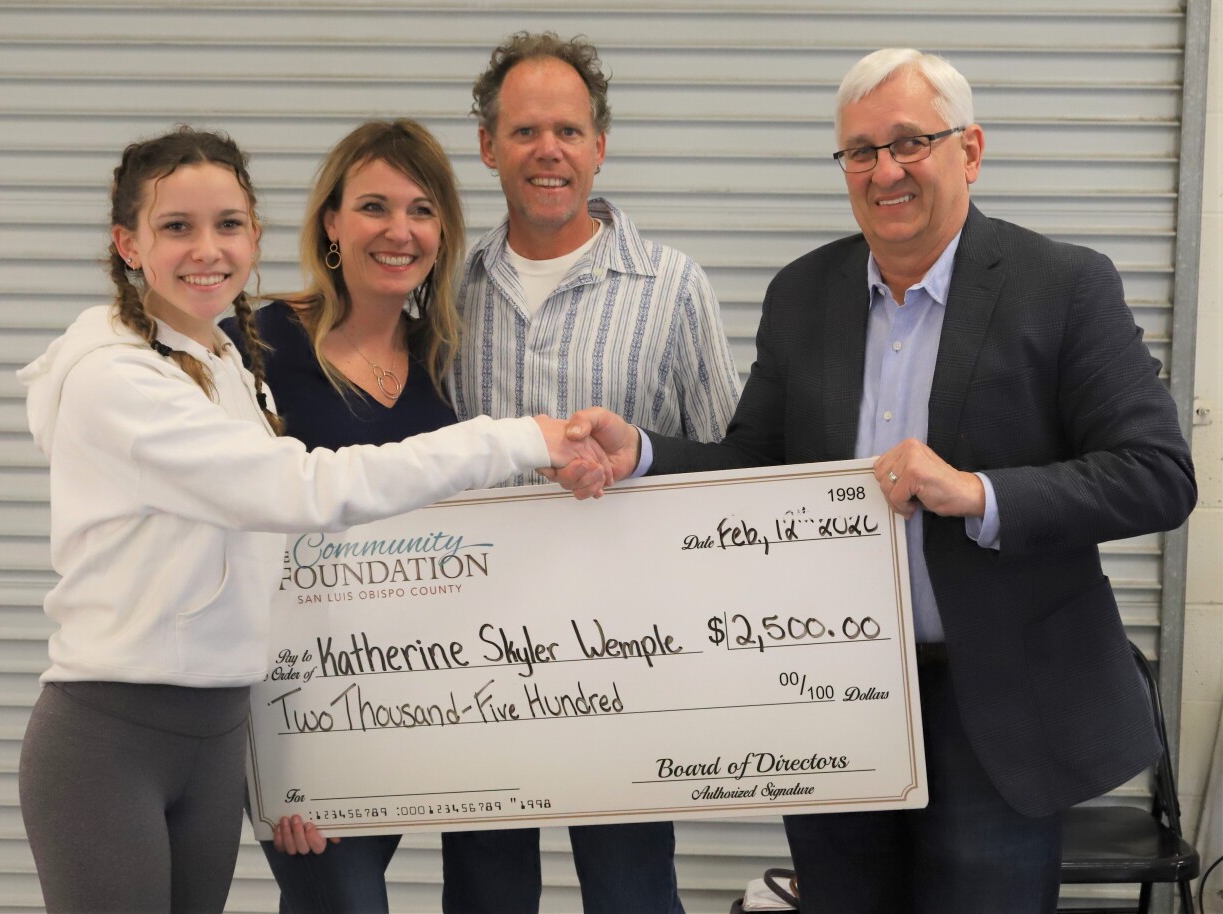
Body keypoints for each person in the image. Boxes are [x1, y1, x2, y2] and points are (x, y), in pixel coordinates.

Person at [559, 48, 1197, 914]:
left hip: (998, 706)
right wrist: (641, 452)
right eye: (859, 151)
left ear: (968, 150)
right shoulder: (803, 294)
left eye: (909, 143)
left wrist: (979, 493)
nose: (884, 170)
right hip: (834, 694)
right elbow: (759, 466)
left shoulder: (1064, 286)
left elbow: (1158, 474)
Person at [15, 126, 608, 914]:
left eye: (228, 225)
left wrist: (304, 760)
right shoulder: (117, 383)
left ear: (255, 235)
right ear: (128, 243)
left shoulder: (227, 367)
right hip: (113, 734)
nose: (208, 249)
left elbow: (278, 573)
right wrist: (517, 437)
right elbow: (304, 492)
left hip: (220, 728)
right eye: (176, 227)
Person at [444, 31, 742, 914]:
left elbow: (730, 461)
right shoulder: (447, 295)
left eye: (569, 131)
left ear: (600, 146)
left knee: (633, 892)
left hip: (630, 662)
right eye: (527, 131)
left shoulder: (673, 287)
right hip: (475, 656)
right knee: (486, 894)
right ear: (490, 146)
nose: (549, 150)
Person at [222, 118, 497, 914]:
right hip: (305, 717)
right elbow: (233, 541)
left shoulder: (450, 363)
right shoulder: (259, 347)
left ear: (442, 233)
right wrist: (280, 763)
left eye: (421, 210)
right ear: (332, 223)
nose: (398, 231)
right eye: (374, 206)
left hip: (434, 709)